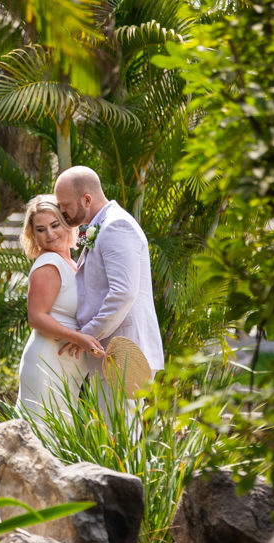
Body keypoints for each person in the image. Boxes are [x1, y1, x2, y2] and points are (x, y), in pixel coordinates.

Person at [53, 166, 164, 430]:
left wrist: (86, 336)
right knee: (116, 434)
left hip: (122, 352)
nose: (62, 212)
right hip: (108, 353)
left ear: (86, 200)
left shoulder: (116, 226)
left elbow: (122, 293)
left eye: (65, 205)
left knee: (122, 436)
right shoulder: (101, 226)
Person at [15, 194, 106, 428]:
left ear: (66, 223)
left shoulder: (72, 263)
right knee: (42, 438)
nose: (50, 234)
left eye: (55, 225)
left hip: (66, 367)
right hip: (47, 361)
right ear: (33, 235)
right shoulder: (49, 264)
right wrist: (80, 338)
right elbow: (36, 318)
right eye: (41, 229)